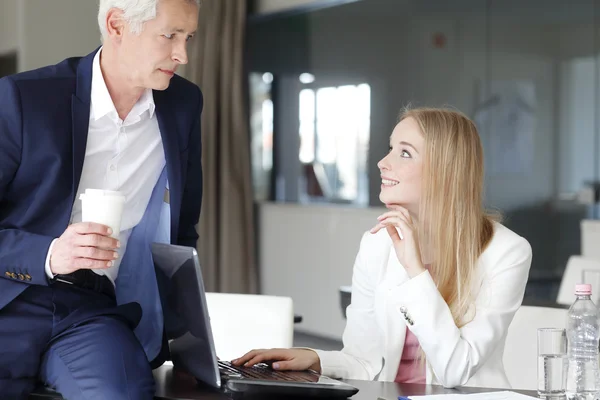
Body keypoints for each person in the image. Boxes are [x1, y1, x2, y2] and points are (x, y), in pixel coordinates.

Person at [232, 107, 532, 389]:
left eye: (404, 153)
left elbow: (455, 370)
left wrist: (416, 271)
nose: (382, 162)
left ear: (444, 171)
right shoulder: (376, 243)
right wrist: (317, 359)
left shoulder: (507, 252)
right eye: (390, 149)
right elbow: (363, 360)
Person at [0, 0, 203, 398]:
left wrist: (188, 341)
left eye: (188, 37)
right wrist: (50, 254)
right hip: (10, 299)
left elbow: (182, 231)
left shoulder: (182, 105)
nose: (183, 54)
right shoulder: (22, 99)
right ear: (116, 25)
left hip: (90, 311)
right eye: (170, 36)